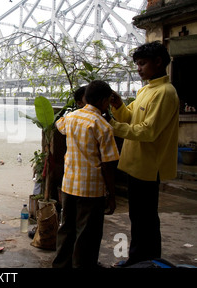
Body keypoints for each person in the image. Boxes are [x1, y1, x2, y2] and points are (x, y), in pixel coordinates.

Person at [109, 41, 179, 267]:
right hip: (134, 163)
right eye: (137, 64)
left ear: (158, 62)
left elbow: (148, 132)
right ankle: (141, 259)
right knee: (138, 217)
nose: (138, 68)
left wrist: (111, 126)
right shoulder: (146, 90)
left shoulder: (165, 93)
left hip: (148, 165)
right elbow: (129, 118)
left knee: (145, 218)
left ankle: (146, 260)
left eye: (142, 63)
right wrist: (119, 105)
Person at [52, 80, 119, 268]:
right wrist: (112, 196)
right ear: (105, 101)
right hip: (91, 190)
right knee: (87, 235)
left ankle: (60, 265)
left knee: (67, 228)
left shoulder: (71, 118)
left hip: (69, 186)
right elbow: (108, 164)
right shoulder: (103, 126)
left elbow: (59, 124)